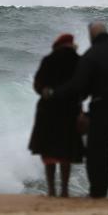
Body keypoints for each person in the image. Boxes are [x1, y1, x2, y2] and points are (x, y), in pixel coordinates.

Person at [48, 22, 108, 199]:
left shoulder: (90, 56)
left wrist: (58, 95)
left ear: (91, 36)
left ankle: (99, 191)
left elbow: (79, 87)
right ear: (107, 33)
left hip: (101, 109)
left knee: (99, 154)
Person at [29, 33, 85, 197]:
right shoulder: (79, 61)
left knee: (49, 151)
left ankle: (51, 190)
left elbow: (38, 84)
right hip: (70, 110)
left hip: (48, 111)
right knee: (65, 152)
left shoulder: (48, 60)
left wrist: (44, 91)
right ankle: (65, 190)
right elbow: (84, 86)